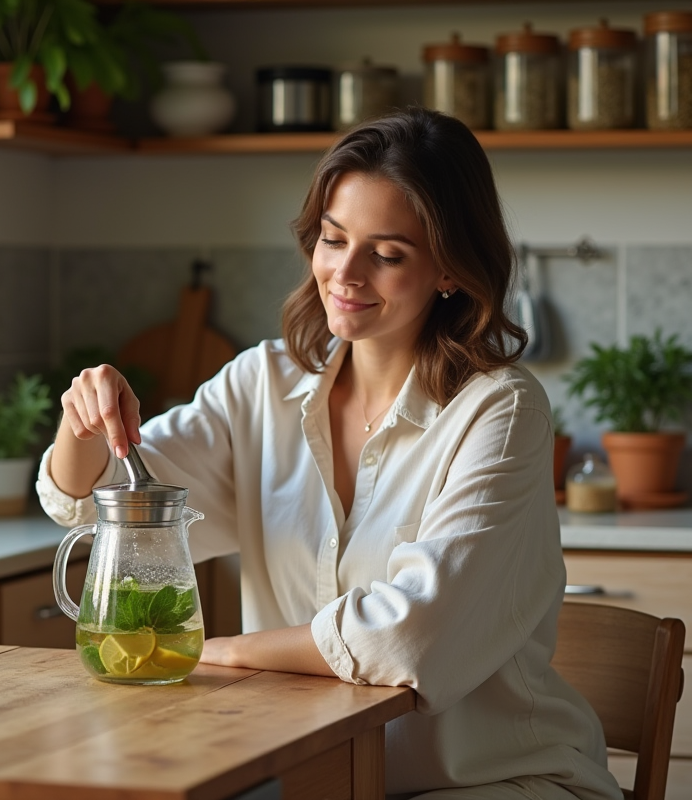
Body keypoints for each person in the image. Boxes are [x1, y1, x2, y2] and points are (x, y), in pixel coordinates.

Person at [37, 107, 621, 800]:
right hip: (314, 779)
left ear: (449, 271)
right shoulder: (261, 385)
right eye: (333, 238)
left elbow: (410, 638)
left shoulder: (499, 408)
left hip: (495, 781)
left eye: (387, 254)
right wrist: (83, 423)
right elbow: (101, 508)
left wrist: (223, 651)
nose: (345, 272)